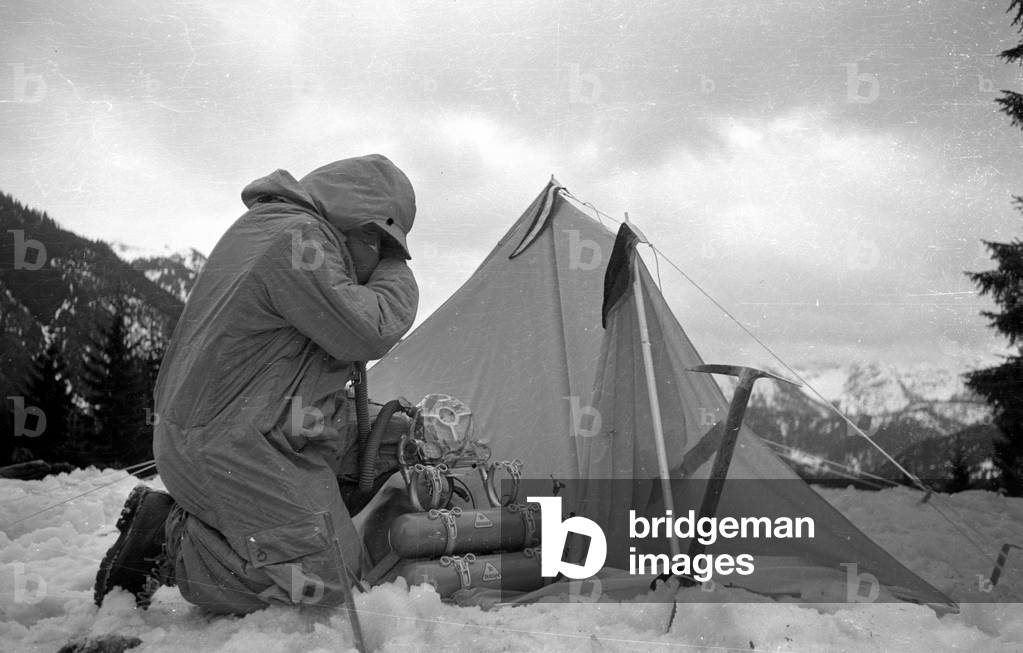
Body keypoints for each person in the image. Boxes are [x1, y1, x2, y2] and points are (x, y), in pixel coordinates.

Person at [94, 154, 419, 614]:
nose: (378, 256)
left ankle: (287, 525)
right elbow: (368, 329)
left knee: (403, 445)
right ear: (347, 216)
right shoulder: (295, 239)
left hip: (277, 419)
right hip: (233, 443)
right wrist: (396, 269)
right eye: (376, 240)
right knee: (327, 587)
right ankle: (170, 540)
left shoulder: (285, 231)